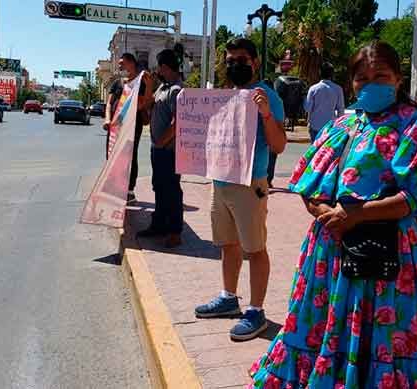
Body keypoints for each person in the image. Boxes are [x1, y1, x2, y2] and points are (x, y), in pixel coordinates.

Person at [247, 41, 417, 388]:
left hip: (386, 252)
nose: (371, 84)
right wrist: (325, 212)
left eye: (380, 75)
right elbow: (309, 185)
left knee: (386, 331)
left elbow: (414, 198)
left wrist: (356, 215)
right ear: (351, 84)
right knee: (323, 327)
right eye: (362, 78)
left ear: (397, 79)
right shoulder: (342, 126)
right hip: (330, 250)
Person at [194, 38, 286, 341]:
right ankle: (228, 298)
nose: (235, 65)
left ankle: (256, 310)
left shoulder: (268, 96)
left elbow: (279, 144)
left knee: (255, 248)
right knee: (227, 244)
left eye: (242, 59)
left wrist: (266, 114)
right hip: (220, 183)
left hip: (250, 185)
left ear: (255, 62)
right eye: (230, 59)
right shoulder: (222, 97)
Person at [137, 49, 184, 248]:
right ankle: (159, 225)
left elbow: (179, 121)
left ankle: (174, 231)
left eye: (158, 66)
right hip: (158, 149)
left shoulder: (176, 90)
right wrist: (148, 86)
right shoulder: (162, 88)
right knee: (159, 187)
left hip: (169, 151)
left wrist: (162, 142)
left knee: (171, 190)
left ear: (165, 66)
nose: (157, 70)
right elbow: (147, 106)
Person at [102, 53, 152, 203]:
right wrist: (108, 119)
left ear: (131, 63)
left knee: (130, 156)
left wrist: (148, 85)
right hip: (115, 126)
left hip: (132, 126)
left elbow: (143, 104)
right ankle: (113, 187)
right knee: (112, 154)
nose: (119, 65)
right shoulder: (118, 83)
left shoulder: (140, 83)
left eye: (122, 63)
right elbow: (110, 103)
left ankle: (129, 190)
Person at [304, 62, 345, 143]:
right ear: (332, 74)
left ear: (320, 73)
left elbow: (307, 108)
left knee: (315, 152)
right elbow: (341, 110)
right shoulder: (338, 89)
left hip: (315, 126)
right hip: (330, 127)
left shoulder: (313, 88)